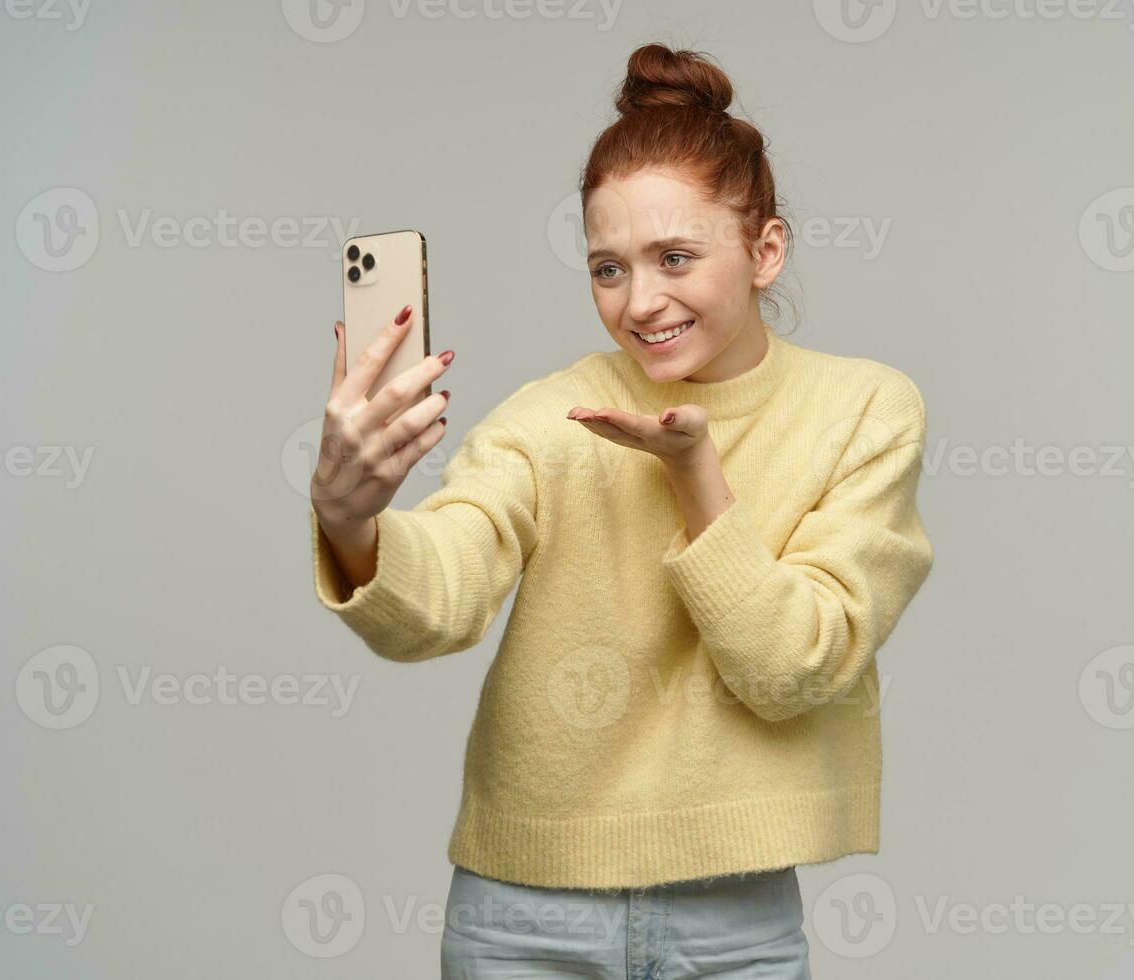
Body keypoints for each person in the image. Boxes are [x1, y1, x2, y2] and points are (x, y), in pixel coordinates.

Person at [308, 42, 934, 979]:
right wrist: (349, 521)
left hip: (736, 917)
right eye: (608, 269)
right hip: (522, 920)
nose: (640, 303)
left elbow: (796, 665)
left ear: (766, 250)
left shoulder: (865, 410)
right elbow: (439, 602)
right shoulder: (550, 415)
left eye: (675, 257)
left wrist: (697, 476)